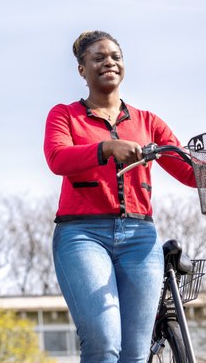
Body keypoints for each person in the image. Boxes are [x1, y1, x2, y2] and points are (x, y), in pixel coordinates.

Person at [43, 30, 197, 362]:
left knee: (135, 353)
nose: (108, 62)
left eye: (115, 56)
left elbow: (187, 169)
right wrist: (106, 148)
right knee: (102, 341)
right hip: (82, 235)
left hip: (140, 238)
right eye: (98, 58)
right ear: (82, 70)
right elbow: (57, 158)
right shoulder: (65, 115)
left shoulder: (148, 121)